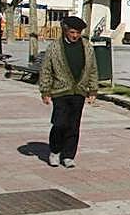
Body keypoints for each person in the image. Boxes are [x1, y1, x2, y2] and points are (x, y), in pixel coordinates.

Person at [38, 16, 98, 168]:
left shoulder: (87, 47)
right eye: (72, 32)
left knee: (73, 125)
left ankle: (69, 155)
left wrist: (93, 90)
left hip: (79, 91)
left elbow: (92, 69)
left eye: (78, 32)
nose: (75, 35)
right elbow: (46, 69)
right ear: (65, 31)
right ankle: (55, 150)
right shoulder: (55, 47)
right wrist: (45, 90)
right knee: (60, 123)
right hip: (60, 91)